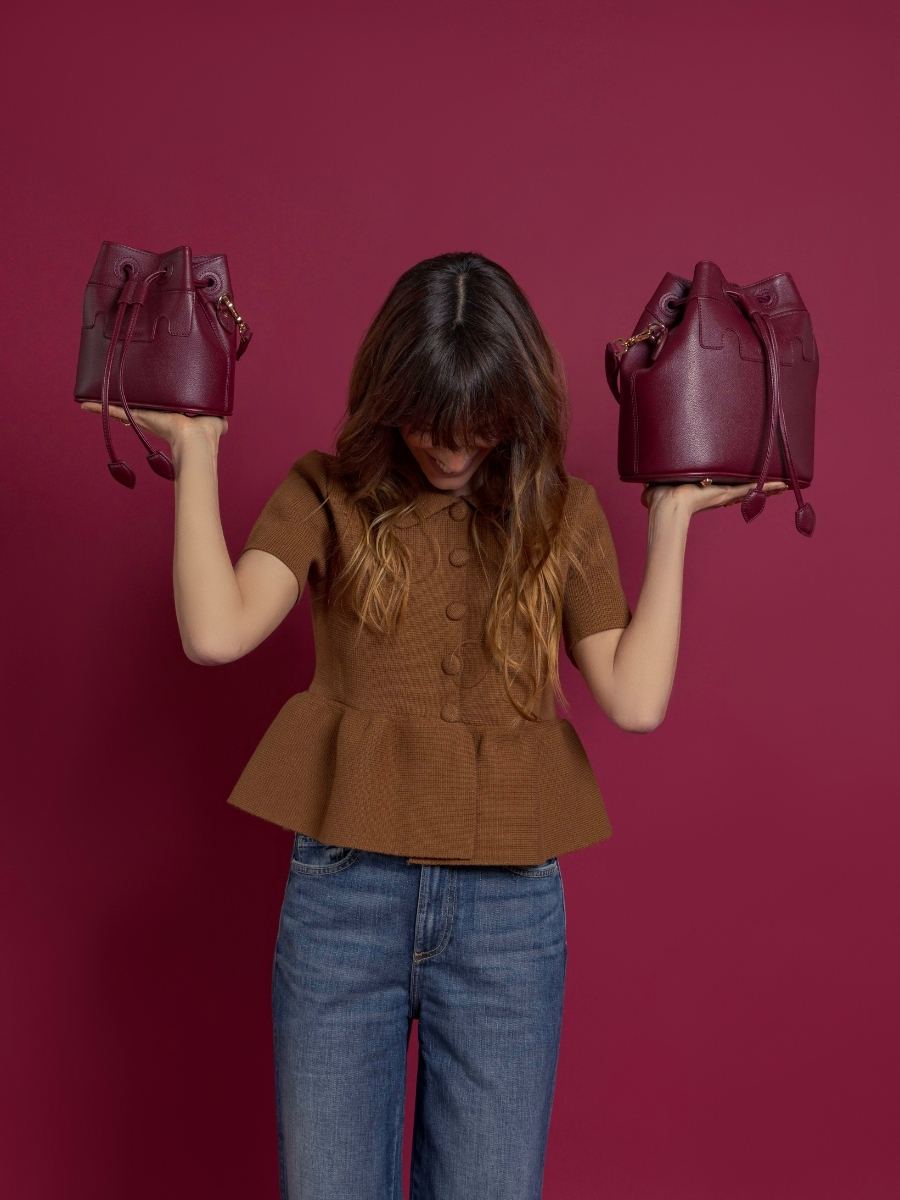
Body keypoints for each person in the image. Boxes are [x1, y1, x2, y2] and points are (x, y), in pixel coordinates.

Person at [80, 250, 789, 1199]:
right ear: (388, 395)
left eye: (480, 426)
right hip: (343, 901)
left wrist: (670, 523)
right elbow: (215, 632)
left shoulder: (562, 517)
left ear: (516, 406)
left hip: (507, 916)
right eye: (428, 422)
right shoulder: (324, 493)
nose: (452, 450)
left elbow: (634, 697)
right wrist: (197, 446)